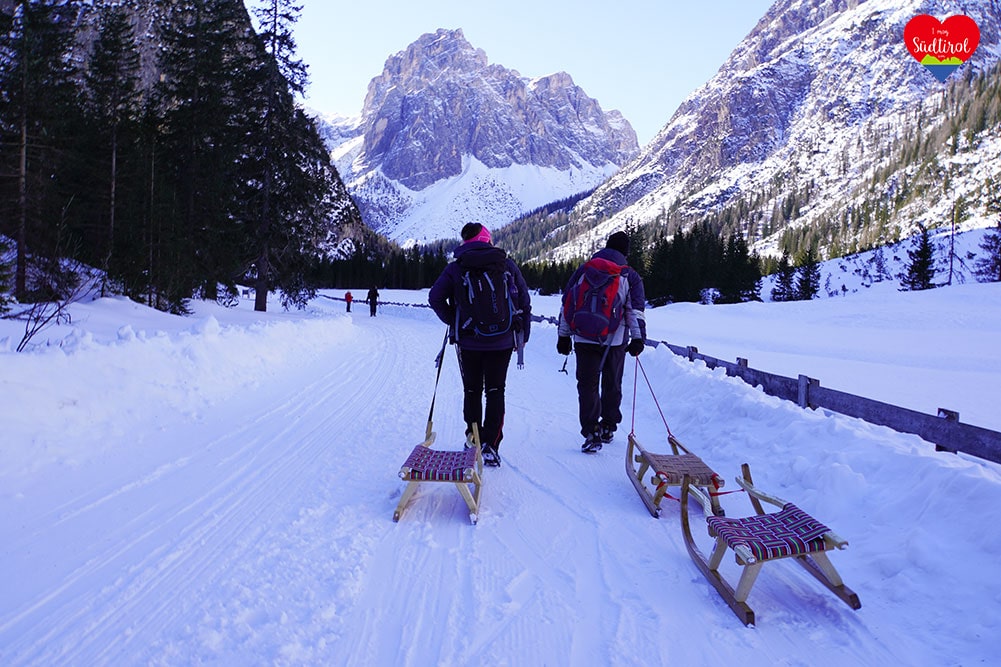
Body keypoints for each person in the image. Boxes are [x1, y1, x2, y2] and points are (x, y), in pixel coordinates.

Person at [428, 223, 532, 467]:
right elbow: (524, 301)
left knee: (472, 390)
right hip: (502, 340)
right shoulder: (506, 264)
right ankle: (491, 445)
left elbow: (435, 297)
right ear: (487, 239)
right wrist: (522, 336)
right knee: (496, 390)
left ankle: (473, 437)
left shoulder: (456, 267)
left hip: (469, 340)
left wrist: (454, 320)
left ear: (465, 241)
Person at [557, 231, 646, 453]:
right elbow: (634, 311)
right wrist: (638, 338)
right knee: (612, 383)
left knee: (587, 384)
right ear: (625, 252)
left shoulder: (585, 270)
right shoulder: (629, 275)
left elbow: (567, 303)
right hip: (614, 339)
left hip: (583, 336)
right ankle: (608, 426)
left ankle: (591, 431)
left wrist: (563, 335)